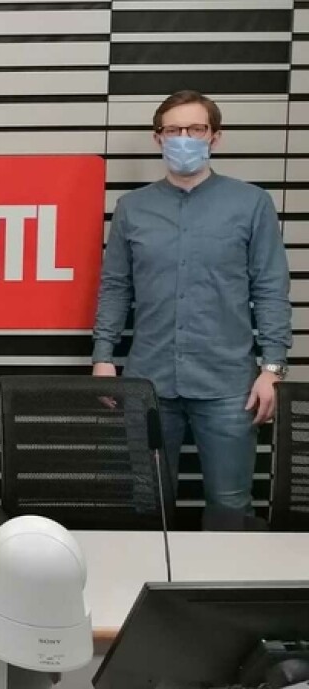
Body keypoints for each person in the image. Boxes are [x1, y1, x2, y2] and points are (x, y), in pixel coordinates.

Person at [92, 90, 291, 517]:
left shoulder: (251, 203)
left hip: (229, 386)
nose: (184, 138)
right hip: (149, 382)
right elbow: (115, 287)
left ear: (214, 136)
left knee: (230, 505)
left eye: (196, 129)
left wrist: (272, 369)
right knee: (148, 507)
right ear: (158, 138)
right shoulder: (132, 208)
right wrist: (103, 359)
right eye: (173, 130)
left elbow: (270, 288)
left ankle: (222, 567)